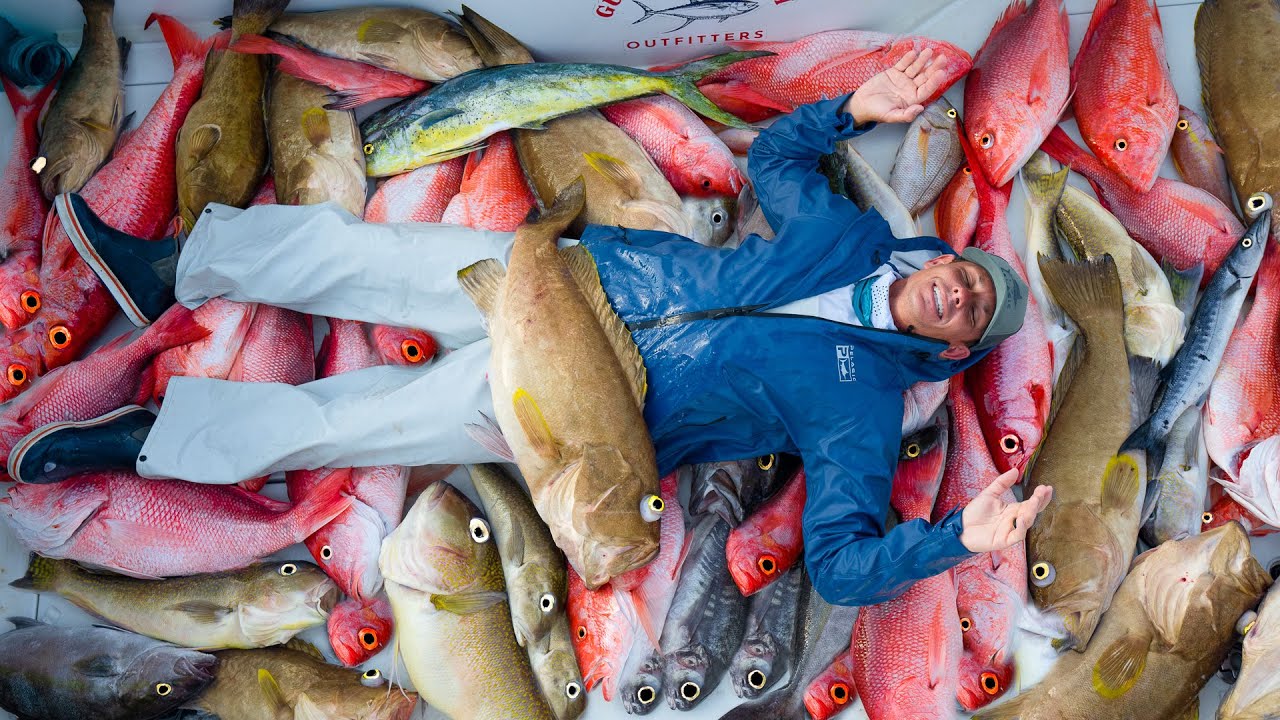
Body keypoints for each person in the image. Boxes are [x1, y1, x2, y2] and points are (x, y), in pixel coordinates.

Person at [10, 48, 1052, 606]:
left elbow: (838, 563)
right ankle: (173, 269)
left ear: (950, 350)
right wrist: (847, 111)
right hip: (574, 275)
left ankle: (148, 438)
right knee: (362, 255)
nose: (957, 292)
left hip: (593, 407)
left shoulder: (863, 409)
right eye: (965, 276)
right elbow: (775, 161)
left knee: (353, 422)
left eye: (970, 312)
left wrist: (957, 537)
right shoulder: (846, 233)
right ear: (938, 262)